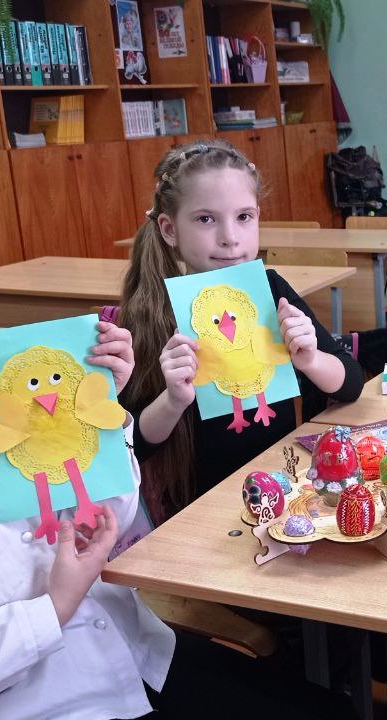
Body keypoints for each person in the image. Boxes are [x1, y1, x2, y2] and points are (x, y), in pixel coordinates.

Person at [0, 234, 353, 720]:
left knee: (333, 712)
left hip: (139, 658)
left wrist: (104, 419)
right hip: (48, 704)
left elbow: (111, 518)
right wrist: (53, 606)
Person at [118, 139, 363, 523]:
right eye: (205, 219)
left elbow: (350, 383)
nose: (230, 237)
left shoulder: (271, 290)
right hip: (201, 511)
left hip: (285, 492)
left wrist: (311, 360)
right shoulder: (152, 311)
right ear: (169, 228)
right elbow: (132, 445)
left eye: (244, 217)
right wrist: (173, 399)